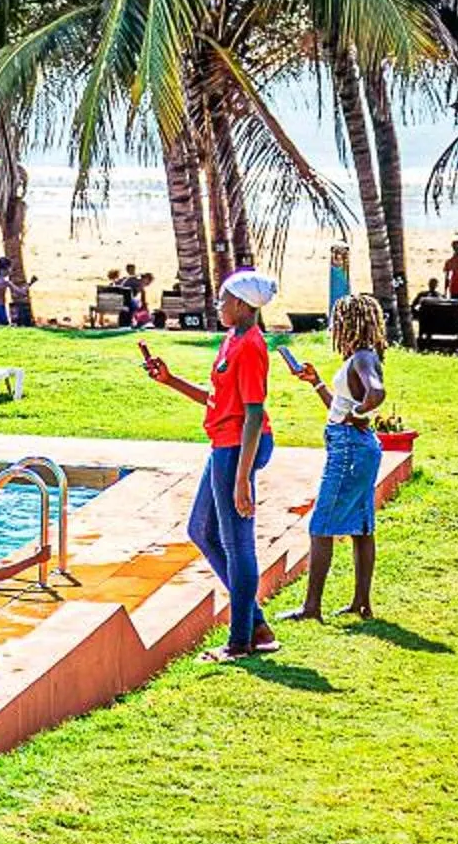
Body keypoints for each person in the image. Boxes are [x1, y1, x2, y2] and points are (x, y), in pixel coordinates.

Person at [139, 267, 279, 661]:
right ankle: (256, 624)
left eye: (222, 300)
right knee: (201, 529)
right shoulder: (231, 340)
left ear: (240, 304)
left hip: (238, 449)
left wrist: (241, 480)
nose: (217, 305)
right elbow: (220, 402)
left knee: (237, 543)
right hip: (225, 445)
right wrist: (170, 380)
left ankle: (240, 642)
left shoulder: (251, 346)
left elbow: (253, 413)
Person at [287, 291, 387, 621]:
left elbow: (377, 393)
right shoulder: (363, 356)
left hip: (350, 447)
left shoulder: (361, 357)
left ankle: (311, 607)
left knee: (321, 525)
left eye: (337, 322)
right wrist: (316, 382)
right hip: (358, 446)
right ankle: (361, 603)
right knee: (360, 525)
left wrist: (358, 414)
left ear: (348, 323)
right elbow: (338, 408)